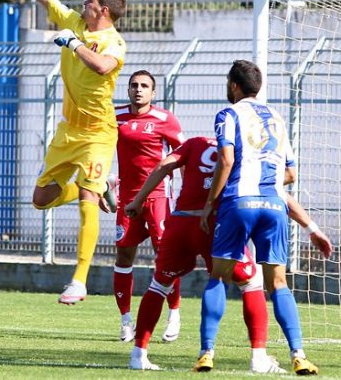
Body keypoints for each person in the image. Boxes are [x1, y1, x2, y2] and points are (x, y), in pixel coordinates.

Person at [124, 136, 330, 371]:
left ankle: (138, 354)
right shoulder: (240, 153)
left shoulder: (194, 143)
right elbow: (275, 190)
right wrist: (311, 227)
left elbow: (163, 165)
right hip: (214, 224)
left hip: (180, 223)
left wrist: (138, 200)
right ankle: (257, 357)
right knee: (251, 282)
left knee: (159, 284)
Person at [0, 0, 127, 303]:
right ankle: (100, 187)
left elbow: (101, 66)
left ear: (102, 11)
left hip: (99, 133)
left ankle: (79, 280)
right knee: (41, 199)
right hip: (68, 131)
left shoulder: (114, 41)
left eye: (91, 0)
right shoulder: (74, 22)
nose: (84, 2)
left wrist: (72, 45)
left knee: (87, 198)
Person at [195, 60, 327, 375]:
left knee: (218, 276)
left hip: (238, 204)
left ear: (234, 86)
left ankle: (206, 353)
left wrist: (209, 203)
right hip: (273, 207)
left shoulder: (228, 114)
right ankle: (299, 355)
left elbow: (226, 160)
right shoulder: (278, 119)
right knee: (278, 283)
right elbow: (291, 173)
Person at [111, 70, 184, 342]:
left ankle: (174, 313)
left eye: (144, 86)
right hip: (127, 200)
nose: (138, 89)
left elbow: (183, 155)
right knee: (123, 257)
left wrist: (187, 192)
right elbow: (99, 145)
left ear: (153, 93)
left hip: (158, 199)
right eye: (134, 85)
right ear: (128, 89)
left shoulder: (165, 119)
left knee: (165, 258)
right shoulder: (115, 117)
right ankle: (125, 321)